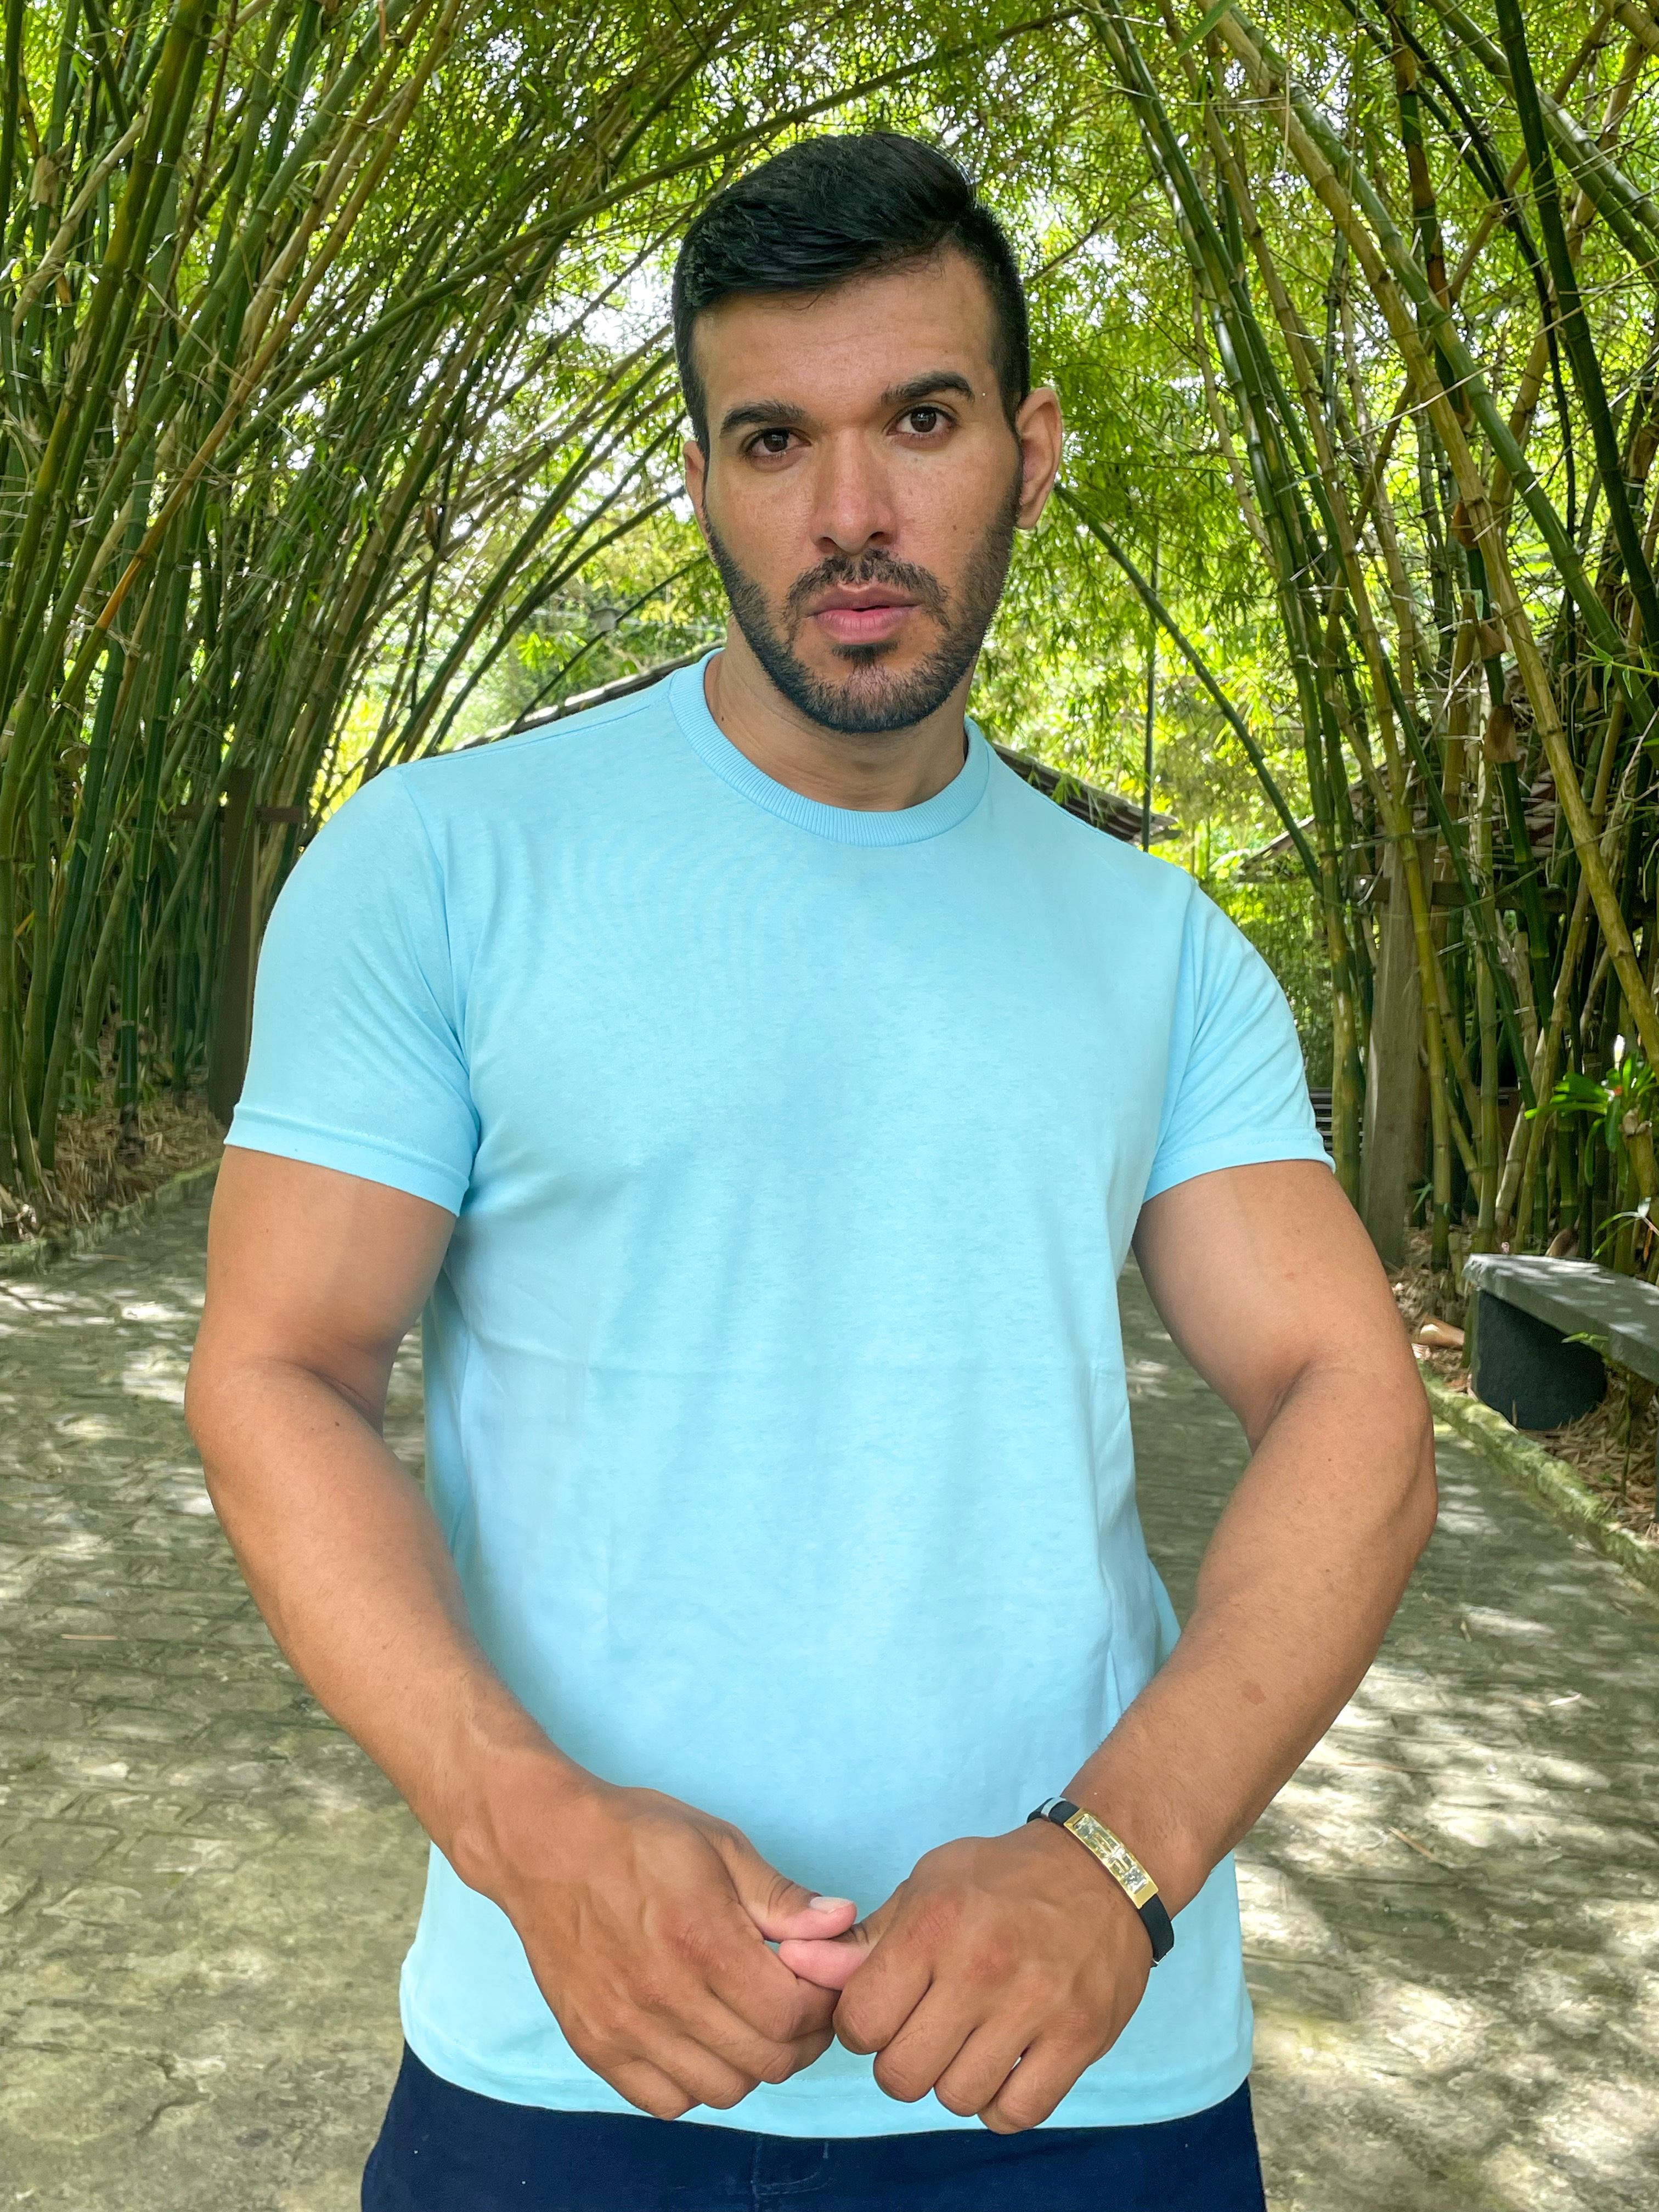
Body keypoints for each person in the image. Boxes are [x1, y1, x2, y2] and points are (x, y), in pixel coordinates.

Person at [185, 132, 1436, 2212]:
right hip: (571, 2040)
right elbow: (275, 1370)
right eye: (775, 438)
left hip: (1073, 2070)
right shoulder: (441, 867)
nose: (852, 514)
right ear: (701, 474)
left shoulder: (1159, 948)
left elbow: (1352, 1398)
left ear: (1030, 450)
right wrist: (533, 1838)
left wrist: (1119, 1860)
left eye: (921, 421)